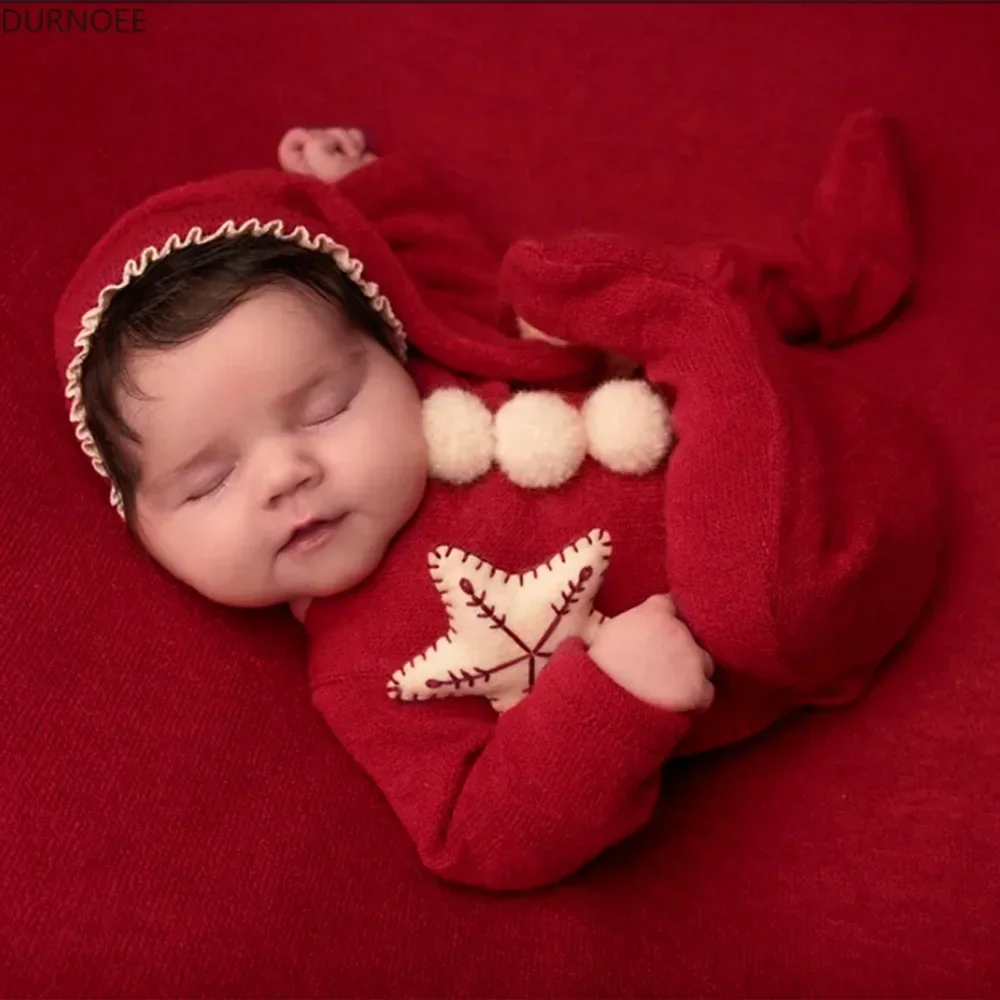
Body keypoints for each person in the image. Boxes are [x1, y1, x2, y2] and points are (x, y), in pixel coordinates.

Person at [52, 112, 943, 891]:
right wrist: (616, 701)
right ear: (138, 526)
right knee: (755, 598)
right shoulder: (371, 668)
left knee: (543, 292)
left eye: (326, 408)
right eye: (208, 482)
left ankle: (815, 283)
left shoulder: (450, 362)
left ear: (394, 351)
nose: (286, 474)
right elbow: (474, 835)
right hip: (825, 565)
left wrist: (360, 187)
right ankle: (705, 323)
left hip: (786, 424)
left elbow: (431, 262)